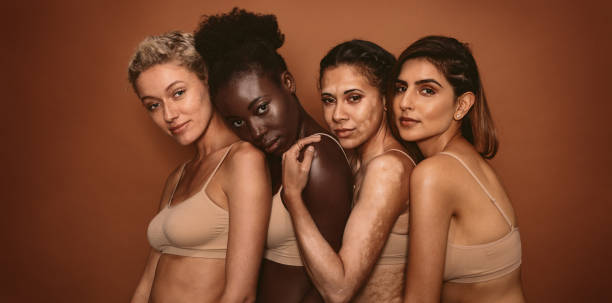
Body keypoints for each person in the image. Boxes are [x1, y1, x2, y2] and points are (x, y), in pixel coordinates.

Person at [193, 8, 353, 302]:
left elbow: (323, 288)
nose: (255, 131)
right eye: (238, 122)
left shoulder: (318, 162)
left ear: (288, 83)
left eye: (261, 108)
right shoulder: (269, 157)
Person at [127, 31, 271, 303]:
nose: (169, 115)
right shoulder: (178, 177)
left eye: (178, 93)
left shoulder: (242, 160)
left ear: (206, 81)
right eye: (154, 105)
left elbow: (241, 294)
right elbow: (147, 281)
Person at [281, 40, 419, 303]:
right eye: (329, 100)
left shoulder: (387, 168)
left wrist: (293, 197)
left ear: (386, 98)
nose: (337, 115)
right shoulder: (354, 161)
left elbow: (339, 290)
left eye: (353, 98)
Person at [390, 36, 526, 302]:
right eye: (400, 88)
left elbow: (420, 299)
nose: (405, 102)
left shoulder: (435, 174)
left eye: (426, 90)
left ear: (462, 105)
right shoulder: (466, 159)